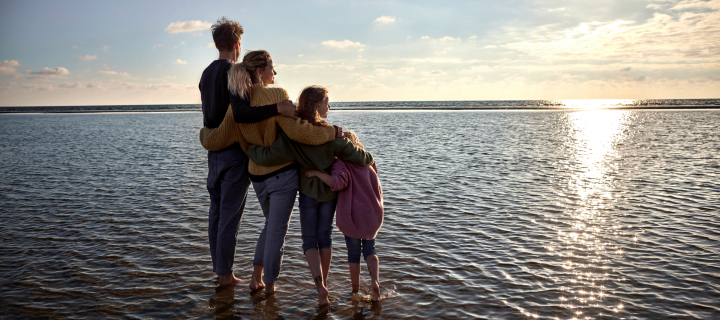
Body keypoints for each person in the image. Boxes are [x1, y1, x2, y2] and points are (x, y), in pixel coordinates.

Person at [198, 51, 344, 294]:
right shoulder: (276, 95)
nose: (274, 73)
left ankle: (256, 277)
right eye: (271, 68)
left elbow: (219, 137)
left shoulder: (238, 105)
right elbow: (301, 133)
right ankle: (270, 287)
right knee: (277, 232)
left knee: (270, 225)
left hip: (257, 178)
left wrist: (203, 135)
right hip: (282, 176)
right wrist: (333, 133)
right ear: (260, 71)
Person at [247, 85, 374, 306]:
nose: (329, 106)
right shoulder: (331, 134)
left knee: (309, 241)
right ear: (317, 105)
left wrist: (250, 150)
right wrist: (370, 159)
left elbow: (271, 156)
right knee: (324, 237)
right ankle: (324, 282)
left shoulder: (294, 134)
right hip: (329, 194)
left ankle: (319, 285)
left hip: (307, 193)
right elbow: (358, 155)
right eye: (327, 102)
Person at [200, 17, 296, 287]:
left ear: (217, 43)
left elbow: (210, 115)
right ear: (237, 44)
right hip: (233, 154)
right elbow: (241, 114)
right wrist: (277, 108)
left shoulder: (206, 73)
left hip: (214, 154)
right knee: (229, 217)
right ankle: (225, 276)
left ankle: (221, 272)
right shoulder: (234, 71)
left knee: (216, 215)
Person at [305, 131, 384, 301]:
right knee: (370, 250)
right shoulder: (367, 163)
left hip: (353, 216)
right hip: (371, 214)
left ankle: (355, 290)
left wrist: (317, 173)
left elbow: (338, 183)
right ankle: (375, 283)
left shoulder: (341, 163)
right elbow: (378, 188)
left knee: (353, 253)